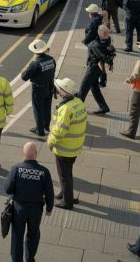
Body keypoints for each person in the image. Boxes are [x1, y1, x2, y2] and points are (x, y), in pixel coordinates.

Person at [4, 142, 54, 262]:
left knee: (17, 236)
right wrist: (49, 208)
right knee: (33, 235)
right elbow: (49, 193)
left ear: (23, 154)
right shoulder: (44, 171)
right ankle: (30, 258)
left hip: (18, 209)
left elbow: (7, 189)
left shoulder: (16, 168)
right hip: (35, 210)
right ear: (36, 154)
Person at [48, 77, 87, 209]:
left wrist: (50, 142)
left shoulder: (65, 109)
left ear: (64, 92)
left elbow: (59, 130)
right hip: (75, 145)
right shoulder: (78, 102)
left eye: (59, 89)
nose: (57, 91)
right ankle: (65, 193)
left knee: (65, 175)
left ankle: (67, 202)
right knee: (67, 172)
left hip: (65, 148)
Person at [21, 40, 56, 136]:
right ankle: (46, 127)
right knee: (47, 108)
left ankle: (40, 130)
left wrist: (27, 68)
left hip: (38, 89)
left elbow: (24, 77)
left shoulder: (35, 63)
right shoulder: (51, 59)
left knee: (38, 109)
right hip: (49, 86)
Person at [78, 25, 114, 114]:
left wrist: (108, 61)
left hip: (92, 69)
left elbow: (102, 56)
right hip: (98, 69)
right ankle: (103, 106)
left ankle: (77, 108)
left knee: (83, 89)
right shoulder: (107, 40)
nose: (108, 34)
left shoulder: (95, 45)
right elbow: (109, 53)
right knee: (94, 88)